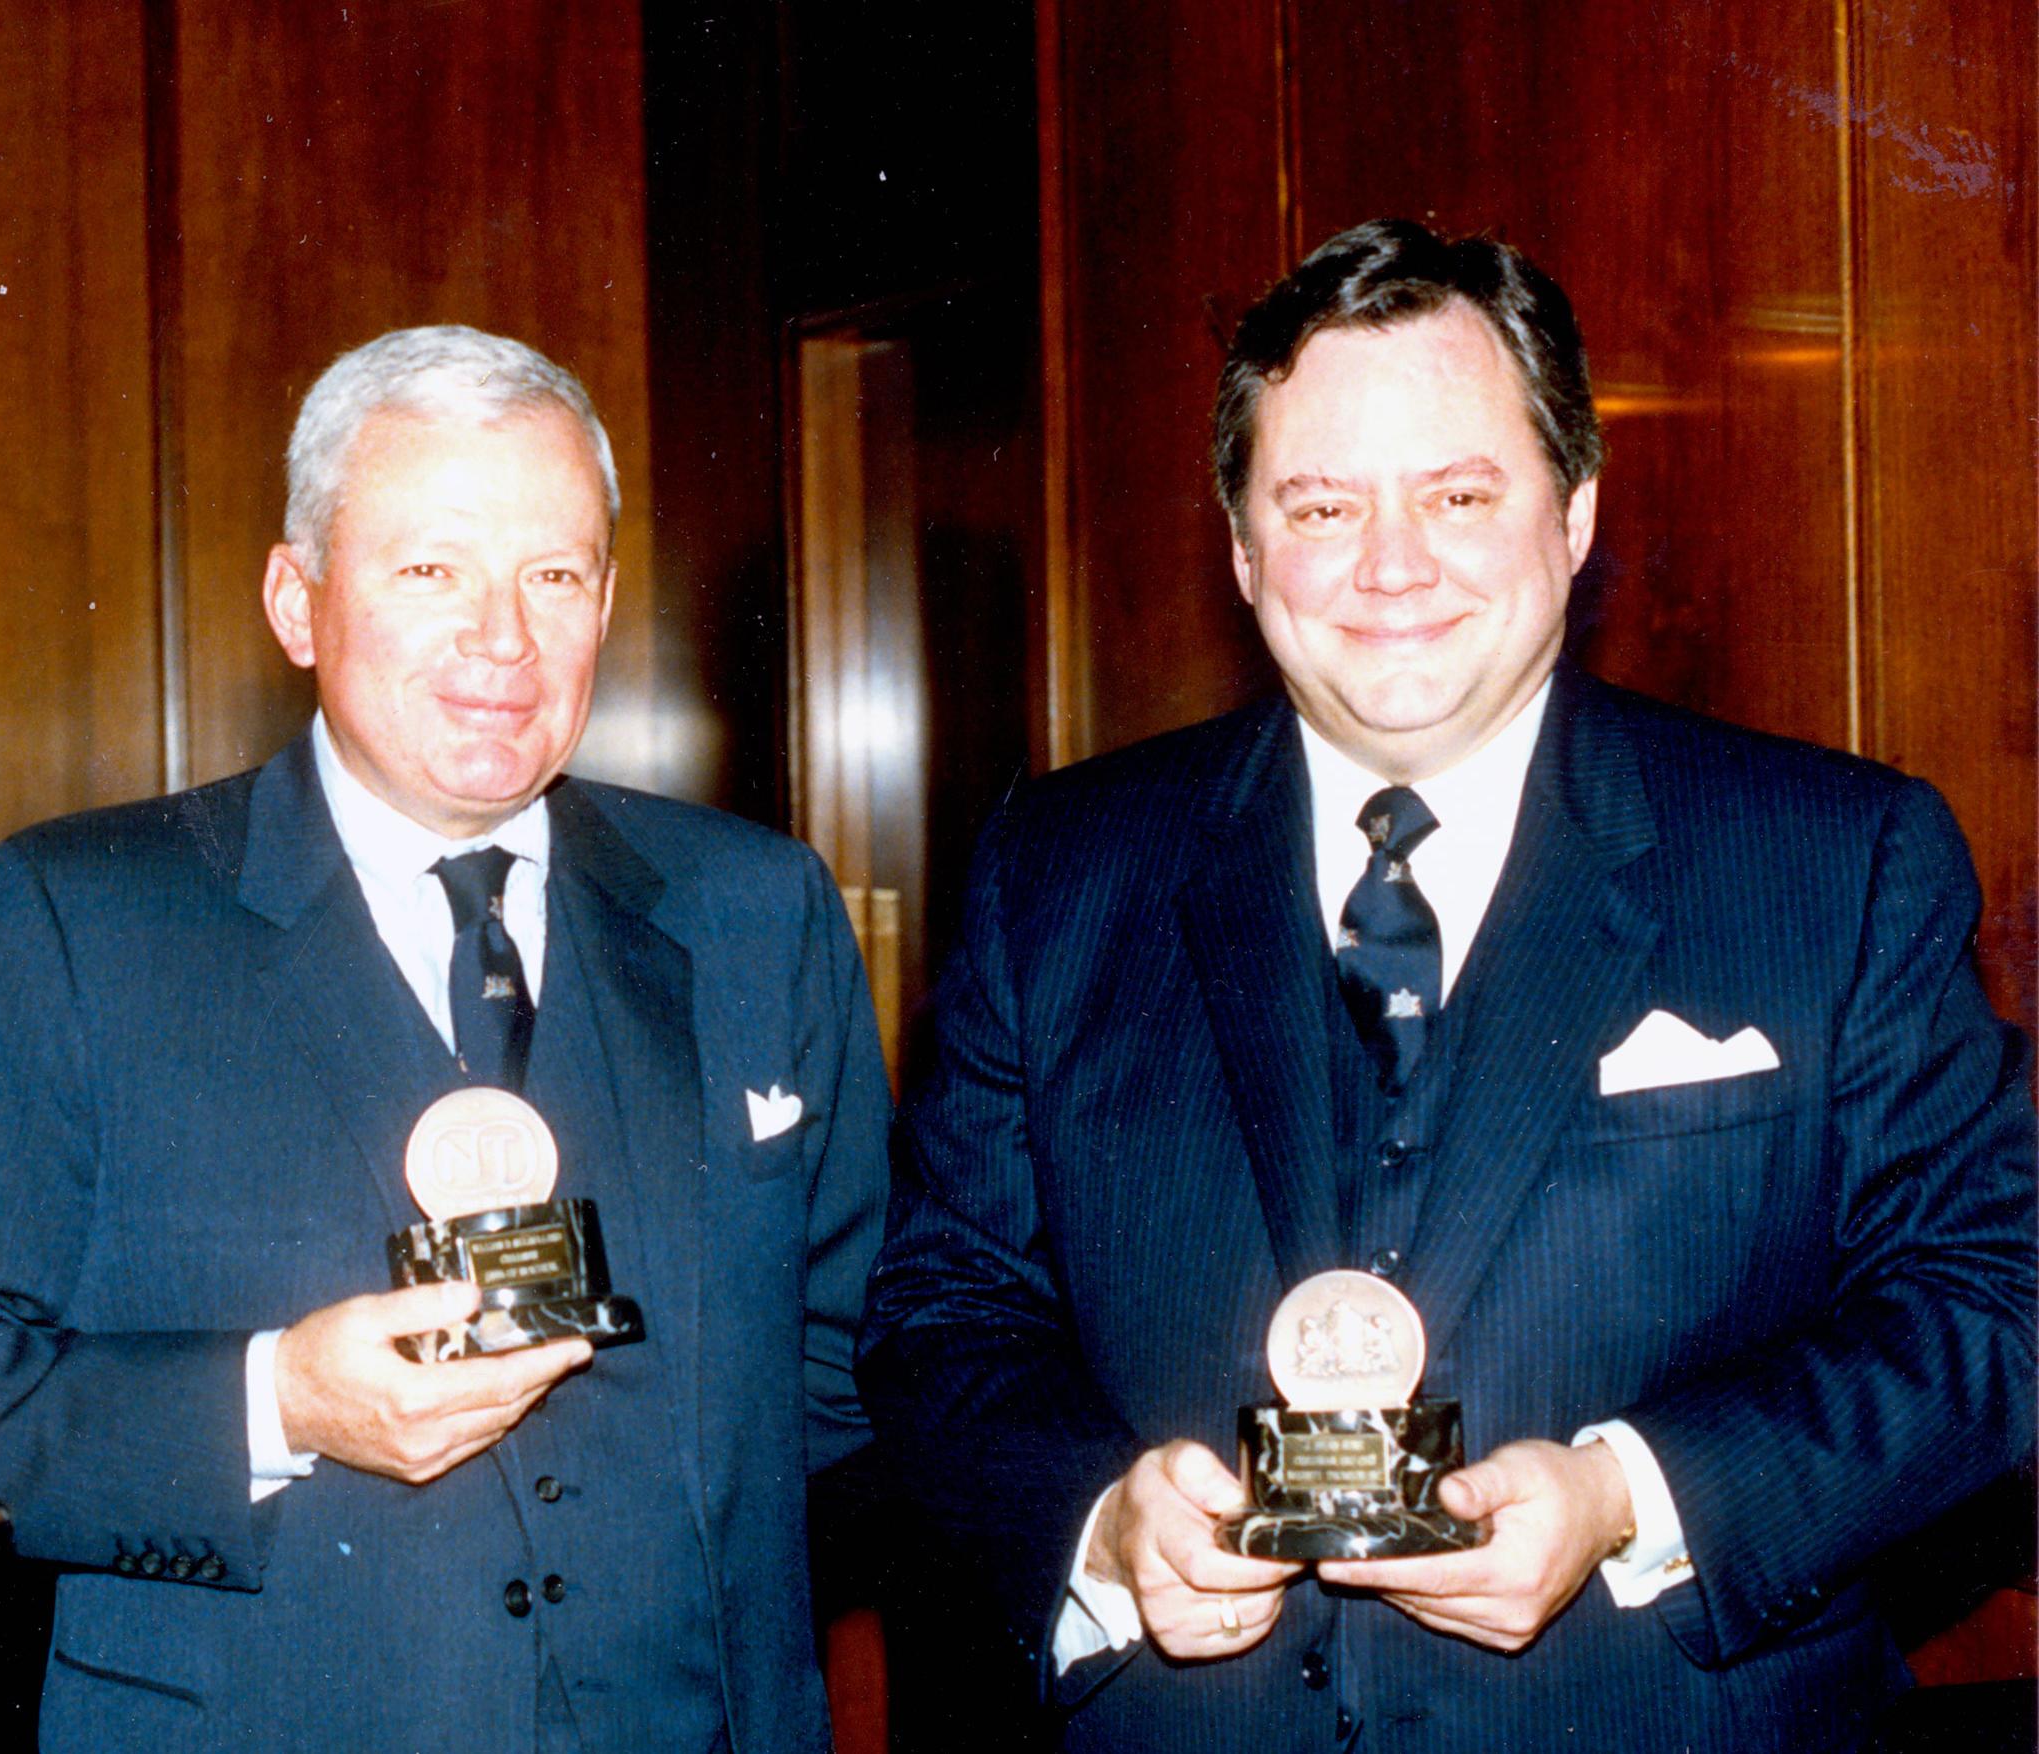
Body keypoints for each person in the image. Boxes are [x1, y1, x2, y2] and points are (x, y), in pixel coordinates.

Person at [859, 218, 2035, 1750]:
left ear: (1577, 511)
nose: (1389, 565)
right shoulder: (1060, 871)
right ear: (1239, 548)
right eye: (1321, 504)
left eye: (1459, 494)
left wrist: (1632, 1494)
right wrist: (1102, 1520)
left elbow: (1992, 1296)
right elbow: (942, 1313)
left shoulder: (1836, 859)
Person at [0, 324, 889, 1750]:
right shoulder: (72, 918)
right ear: (297, 599)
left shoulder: (756, 909)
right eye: (431, 571)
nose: (503, 640)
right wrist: (272, 1402)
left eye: (554, 574)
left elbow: (845, 1379)